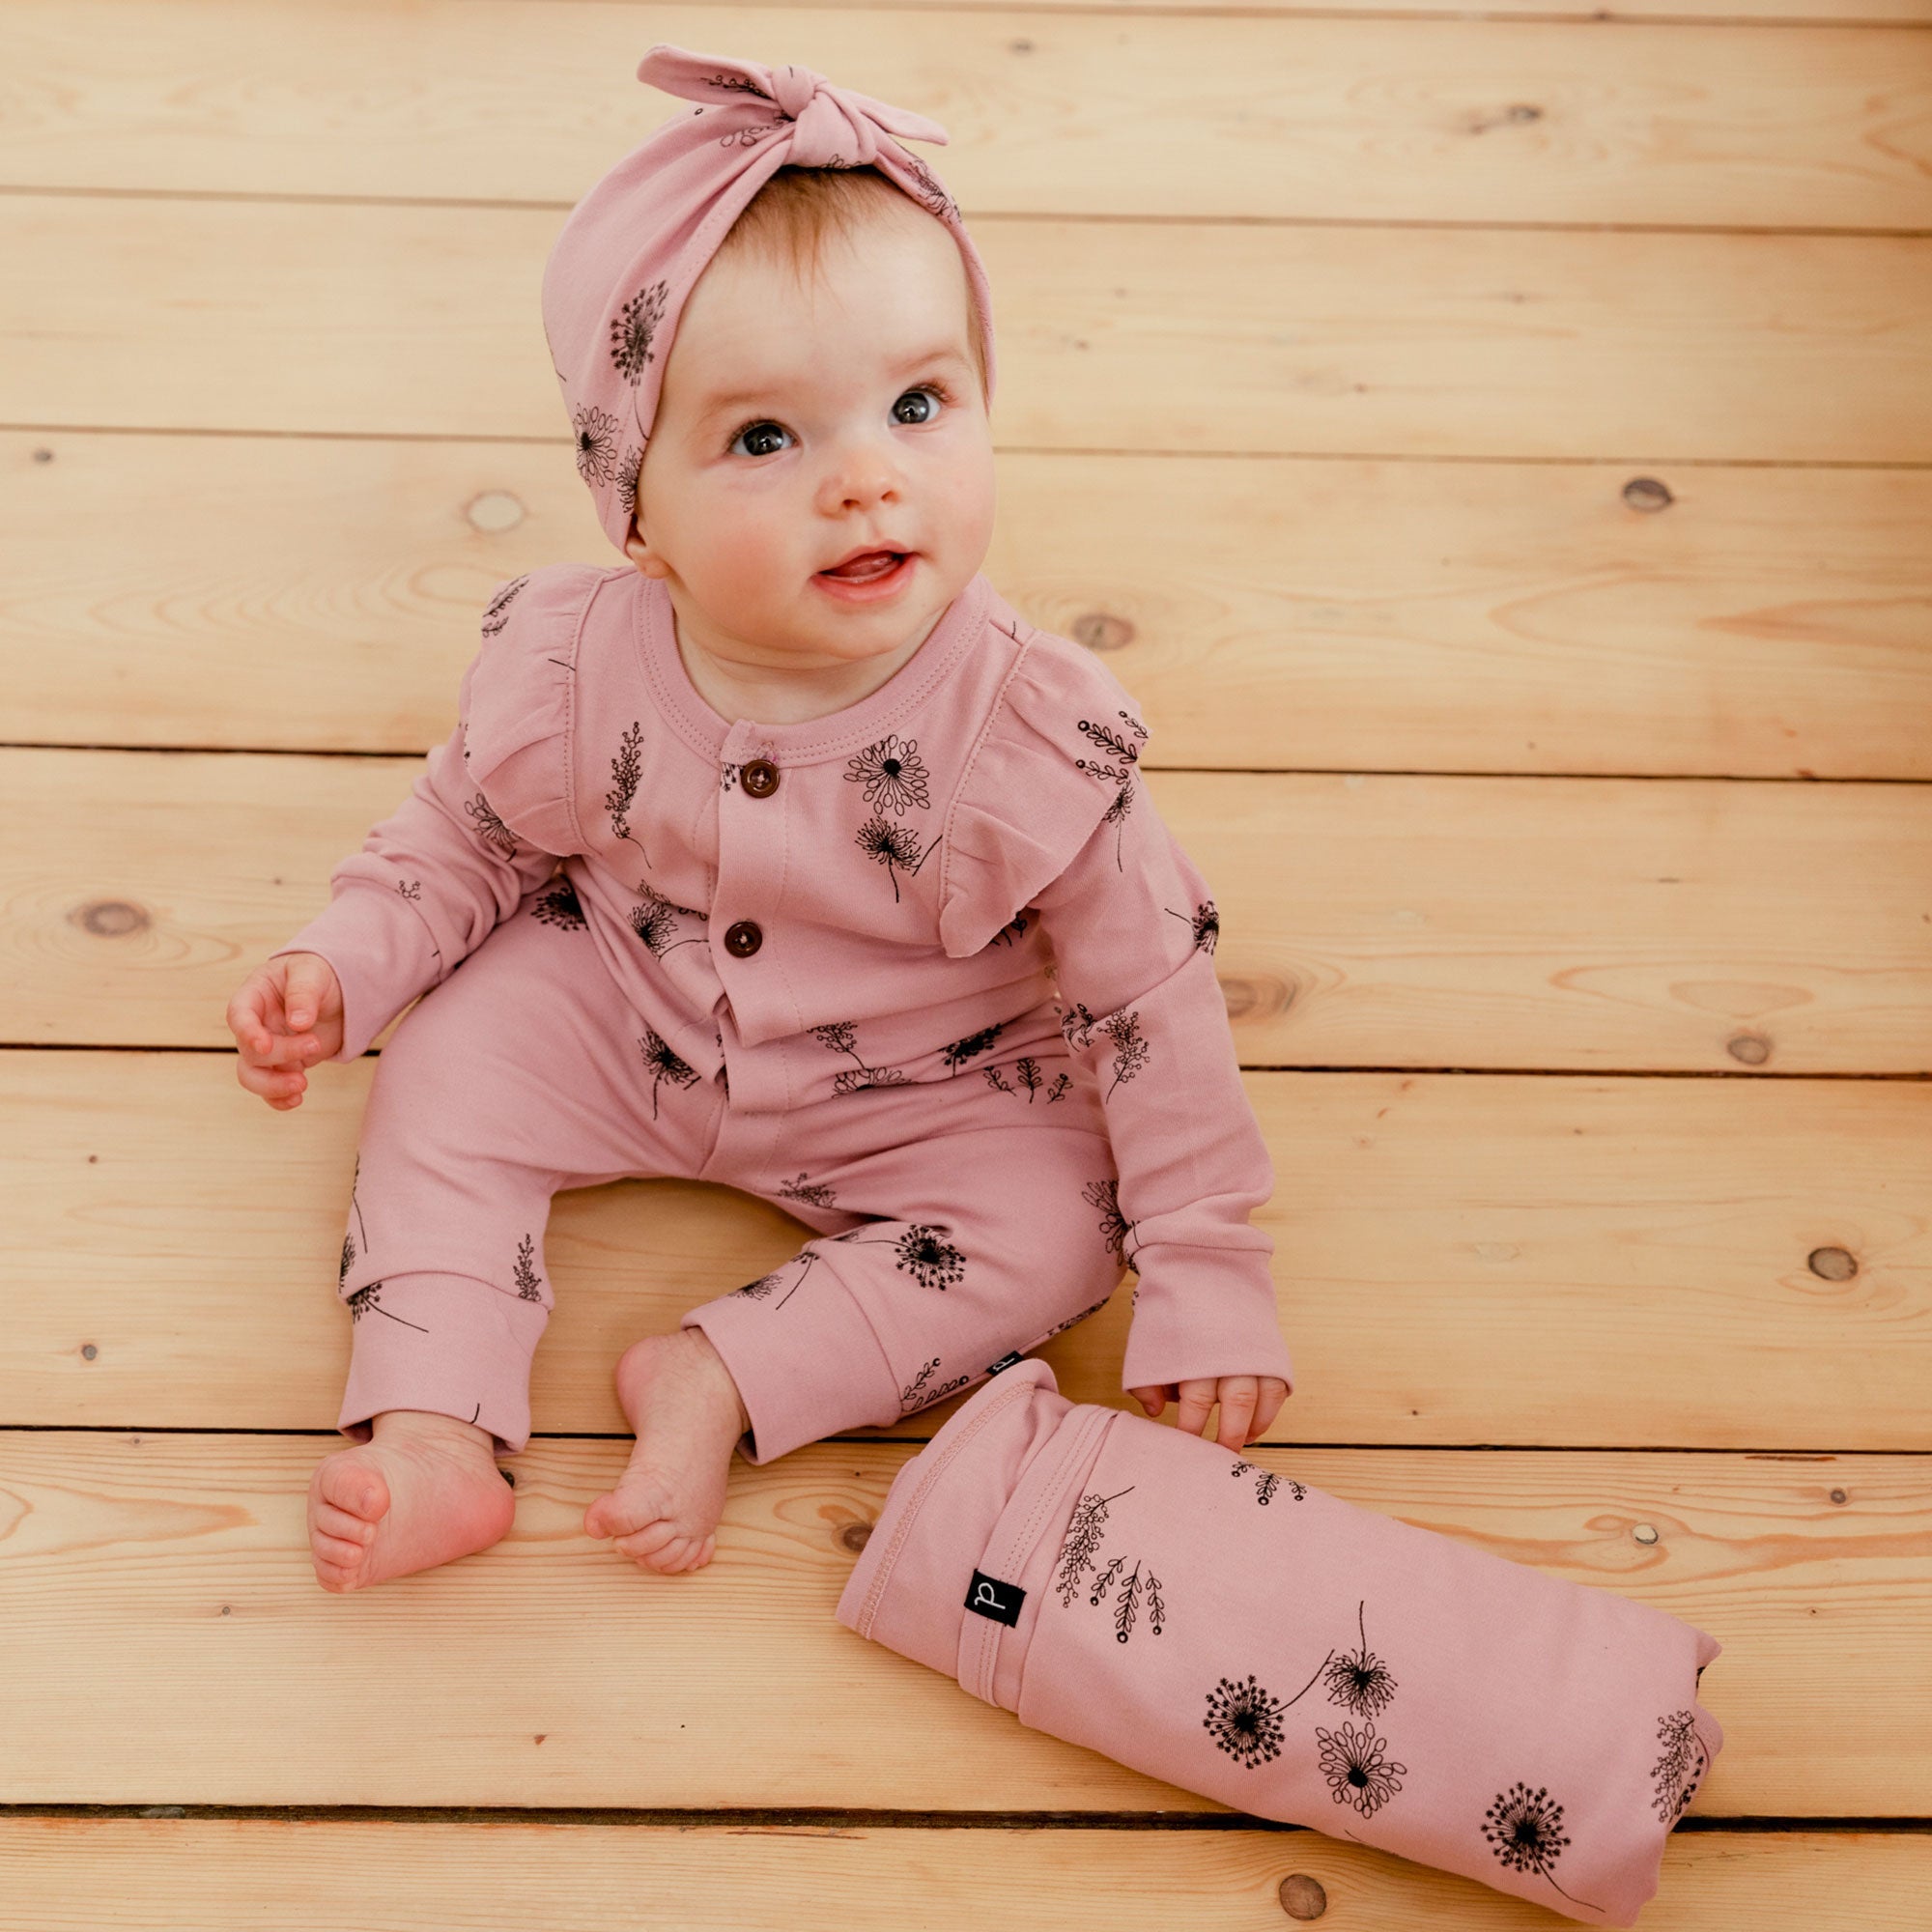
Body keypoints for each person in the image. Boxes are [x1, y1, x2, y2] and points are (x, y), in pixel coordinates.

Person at [223, 44, 1293, 1594]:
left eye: (920, 404)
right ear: (635, 508)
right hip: (625, 1004)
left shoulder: (1028, 734)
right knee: (447, 1066)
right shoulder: (578, 664)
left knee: (1065, 1227)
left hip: (931, 1079)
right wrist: (345, 965)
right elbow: (459, 843)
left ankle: (726, 1377)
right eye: (768, 440)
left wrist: (1205, 1270)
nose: (866, 483)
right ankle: (435, 1426)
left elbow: (1150, 1000)